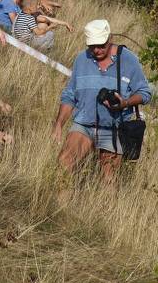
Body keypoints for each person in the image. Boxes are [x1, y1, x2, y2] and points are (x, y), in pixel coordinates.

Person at [52, 19, 152, 179]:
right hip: (83, 124)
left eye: (101, 45)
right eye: (92, 46)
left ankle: (104, 196)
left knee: (108, 179)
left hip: (114, 128)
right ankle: (64, 196)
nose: (96, 50)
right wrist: (59, 124)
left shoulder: (129, 60)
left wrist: (125, 103)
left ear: (110, 38)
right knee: (63, 168)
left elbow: (145, 93)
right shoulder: (81, 59)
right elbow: (70, 95)